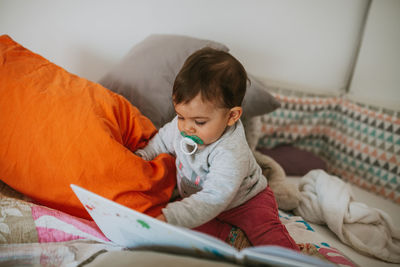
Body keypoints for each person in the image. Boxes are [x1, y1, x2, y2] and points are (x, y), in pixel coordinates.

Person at [135, 47, 298, 250]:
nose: (186, 127)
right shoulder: (183, 127)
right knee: (184, 231)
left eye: (200, 122)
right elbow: (160, 142)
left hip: (245, 202)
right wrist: (140, 157)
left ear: (231, 116)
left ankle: (297, 261)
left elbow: (215, 197)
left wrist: (170, 216)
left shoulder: (230, 151)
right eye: (181, 116)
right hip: (201, 201)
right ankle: (232, 238)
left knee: (267, 232)